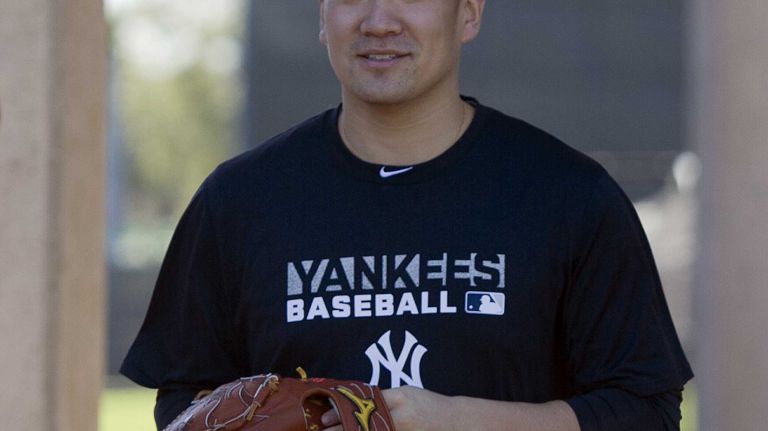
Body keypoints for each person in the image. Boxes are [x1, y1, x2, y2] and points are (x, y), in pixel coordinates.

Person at [121, 1, 693, 430]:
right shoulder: (239, 201)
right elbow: (185, 403)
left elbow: (644, 409)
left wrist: (453, 418)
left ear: (467, 13)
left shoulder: (569, 195)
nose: (379, 20)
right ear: (323, 17)